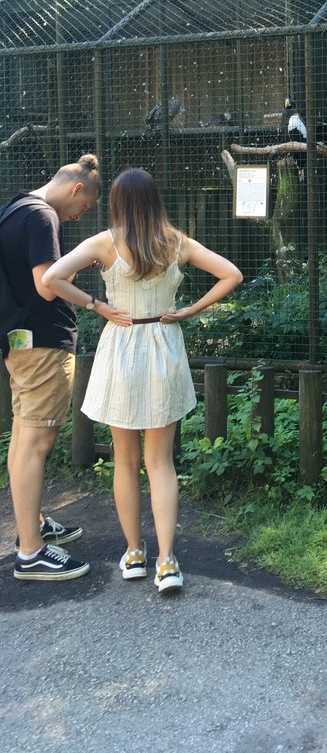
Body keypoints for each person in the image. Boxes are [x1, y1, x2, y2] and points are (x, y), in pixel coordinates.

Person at [42, 168, 243, 594]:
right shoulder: (177, 242)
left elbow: (50, 278)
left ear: (116, 201)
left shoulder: (104, 242)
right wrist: (188, 312)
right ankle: (167, 562)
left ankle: (134, 553)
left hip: (120, 346)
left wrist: (96, 305)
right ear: (154, 200)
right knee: (161, 462)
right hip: (163, 347)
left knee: (126, 461)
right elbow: (232, 274)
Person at [1, 153, 102, 581]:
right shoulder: (43, 217)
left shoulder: (15, 207)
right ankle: (31, 552)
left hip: (19, 340)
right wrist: (90, 288)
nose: (81, 215)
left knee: (24, 436)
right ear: (77, 188)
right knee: (35, 444)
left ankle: (35, 524)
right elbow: (48, 286)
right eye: (85, 206)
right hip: (41, 343)